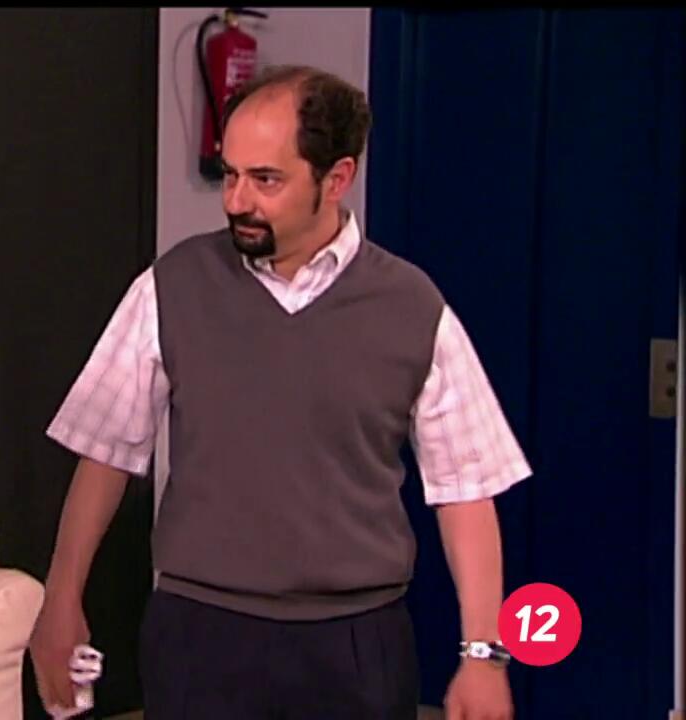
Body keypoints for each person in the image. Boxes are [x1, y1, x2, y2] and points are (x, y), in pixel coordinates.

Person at [29, 64, 528, 719]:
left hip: (358, 644)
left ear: (337, 178)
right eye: (229, 174)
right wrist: (61, 598)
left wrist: (483, 654)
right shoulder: (171, 286)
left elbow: (466, 486)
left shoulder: (412, 306)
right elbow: (104, 453)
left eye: (266, 180)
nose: (237, 200)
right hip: (200, 635)